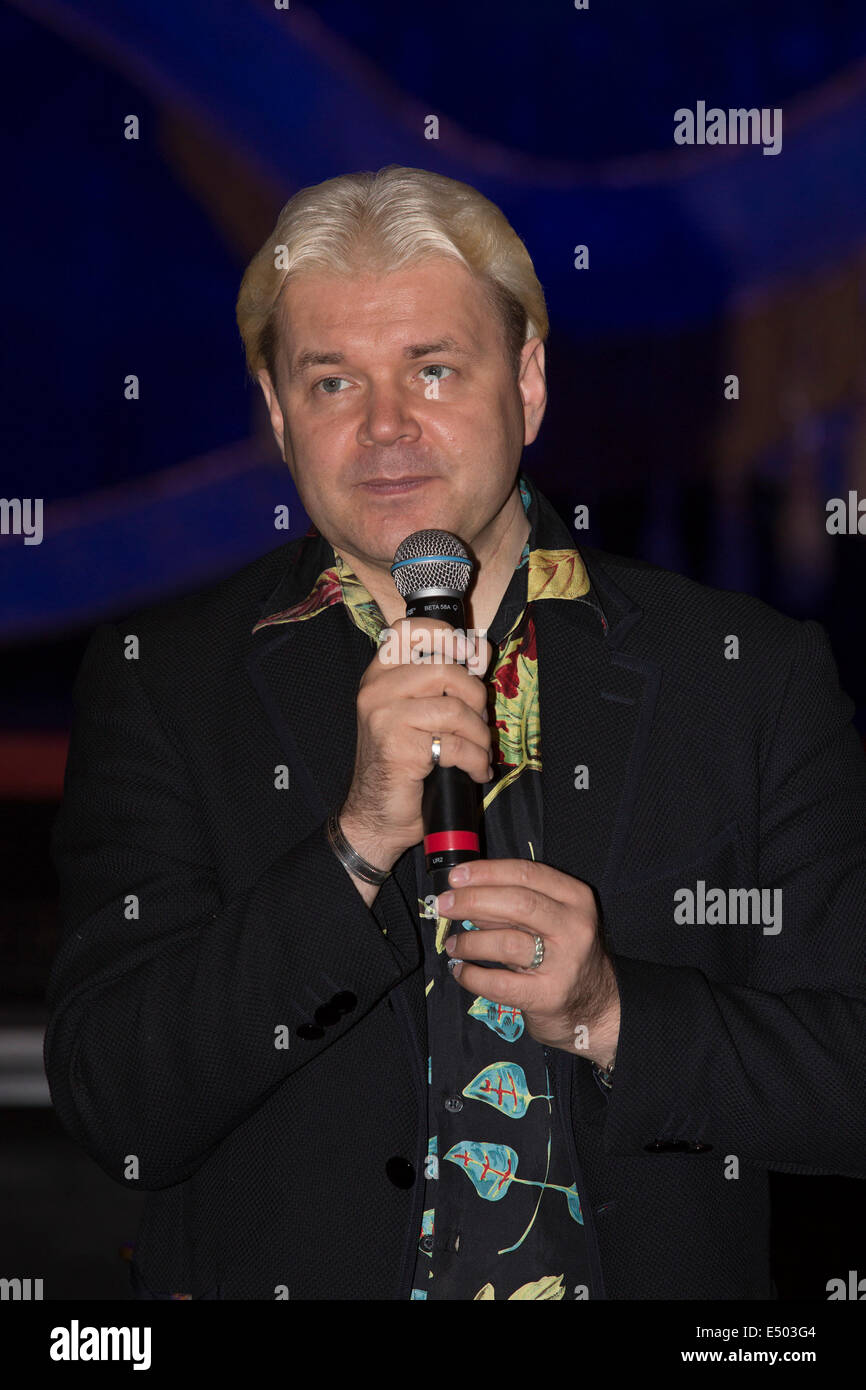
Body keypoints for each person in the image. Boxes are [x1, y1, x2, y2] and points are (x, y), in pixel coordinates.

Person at [45, 165, 866, 1301]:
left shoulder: (745, 676)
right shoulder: (166, 685)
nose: (385, 427)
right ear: (278, 414)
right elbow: (114, 1104)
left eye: (432, 370)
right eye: (332, 382)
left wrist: (609, 1013)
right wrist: (347, 852)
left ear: (526, 384)